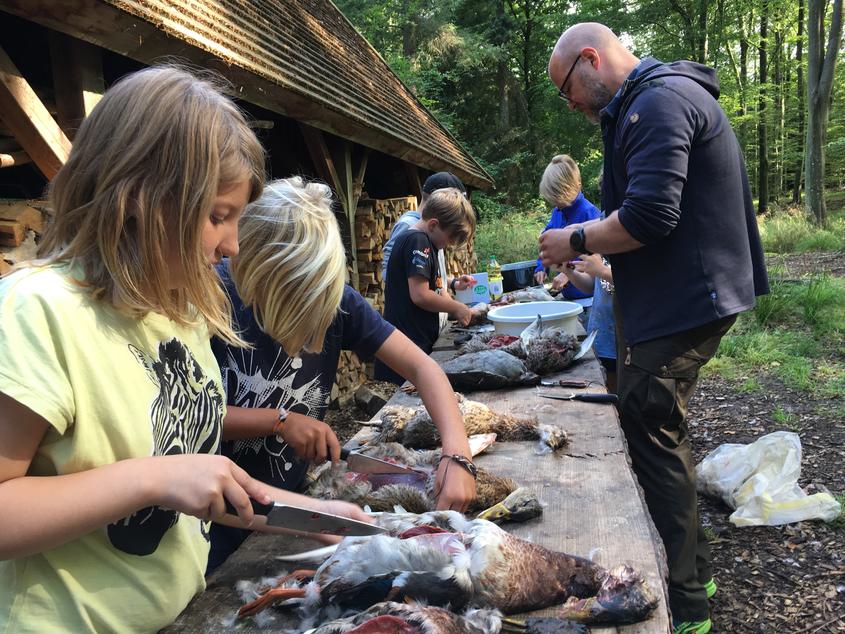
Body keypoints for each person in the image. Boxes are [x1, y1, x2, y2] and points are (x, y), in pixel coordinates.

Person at [0, 67, 368, 633]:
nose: (233, 245)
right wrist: (151, 479)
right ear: (137, 197)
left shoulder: (179, 310)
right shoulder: (37, 310)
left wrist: (313, 515)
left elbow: (202, 472)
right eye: (217, 216)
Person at [541, 23, 769, 634]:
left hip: (689, 302)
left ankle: (686, 600)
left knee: (649, 425)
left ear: (591, 59)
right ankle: (694, 564)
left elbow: (650, 214)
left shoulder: (658, 102)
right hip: (682, 300)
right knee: (660, 428)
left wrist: (573, 240)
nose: (572, 104)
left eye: (568, 89)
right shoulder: (645, 104)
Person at [208, 177, 478, 571]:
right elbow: (190, 420)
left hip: (291, 507)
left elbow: (424, 368)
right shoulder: (213, 300)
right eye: (296, 305)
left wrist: (457, 455)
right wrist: (278, 422)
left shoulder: (338, 300)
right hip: (216, 530)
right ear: (254, 270)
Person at [375, 188, 477, 385]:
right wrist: (455, 308)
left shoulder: (425, 242)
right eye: (449, 239)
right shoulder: (417, 241)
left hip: (416, 343)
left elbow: (436, 288)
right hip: (408, 346)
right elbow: (420, 295)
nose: (447, 245)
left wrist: (455, 300)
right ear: (433, 225)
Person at [382, 171, 476, 294]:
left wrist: (454, 283)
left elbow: (426, 275)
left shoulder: (436, 230)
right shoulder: (409, 228)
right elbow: (391, 273)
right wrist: (422, 294)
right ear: (440, 200)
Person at [533, 154, 602, 300]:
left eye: (559, 197)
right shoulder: (557, 213)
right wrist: (541, 266)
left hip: (589, 297)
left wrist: (568, 274)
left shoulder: (589, 212)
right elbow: (547, 243)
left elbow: (599, 259)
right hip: (568, 296)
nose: (557, 204)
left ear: (575, 187)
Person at [559, 253, 617, 392]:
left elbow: (641, 281)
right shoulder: (602, 247)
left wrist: (602, 270)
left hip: (626, 343)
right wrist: (569, 271)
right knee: (604, 391)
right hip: (601, 337)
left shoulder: (634, 242)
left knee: (620, 398)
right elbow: (590, 285)